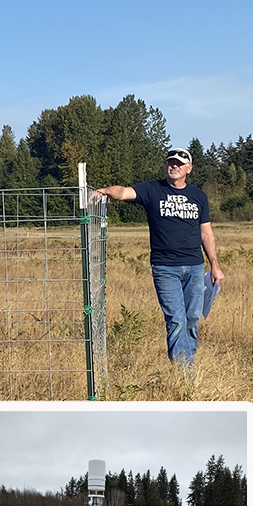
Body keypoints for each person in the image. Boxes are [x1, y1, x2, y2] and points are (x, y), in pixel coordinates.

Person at [95, 148, 224, 367]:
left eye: (179, 164)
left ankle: (186, 362)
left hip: (194, 266)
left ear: (188, 169)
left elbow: (206, 232)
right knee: (176, 320)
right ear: (166, 166)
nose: (174, 166)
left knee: (192, 319)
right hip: (165, 268)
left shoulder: (198, 196)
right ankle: (184, 373)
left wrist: (214, 265)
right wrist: (105, 191)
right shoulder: (152, 190)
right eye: (170, 163)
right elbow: (124, 192)